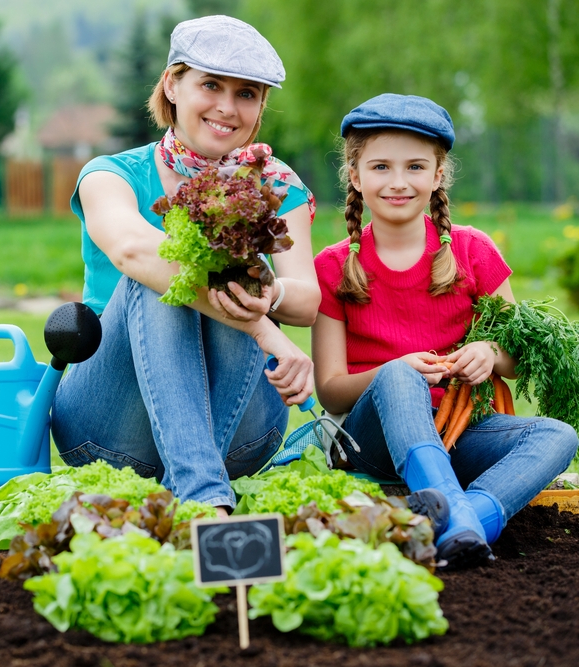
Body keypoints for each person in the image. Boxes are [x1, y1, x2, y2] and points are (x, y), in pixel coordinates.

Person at [51, 15, 321, 516]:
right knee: (155, 273)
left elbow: (306, 298)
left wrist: (272, 295)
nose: (227, 107)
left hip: (238, 429)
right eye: (211, 85)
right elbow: (132, 252)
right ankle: (203, 500)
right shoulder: (111, 175)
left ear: (262, 105)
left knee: (234, 268)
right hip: (110, 428)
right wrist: (265, 329)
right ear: (173, 84)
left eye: (247, 93)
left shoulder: (276, 185)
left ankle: (196, 492)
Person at [312, 93, 579, 568]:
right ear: (355, 176)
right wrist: (395, 370)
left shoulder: (474, 251)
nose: (398, 182)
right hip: (374, 446)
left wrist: (490, 352)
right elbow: (332, 393)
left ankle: (463, 519)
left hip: (461, 431)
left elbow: (515, 360)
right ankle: (459, 513)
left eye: (415, 167)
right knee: (397, 376)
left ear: (437, 176)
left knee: (558, 435)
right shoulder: (333, 266)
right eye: (380, 168)